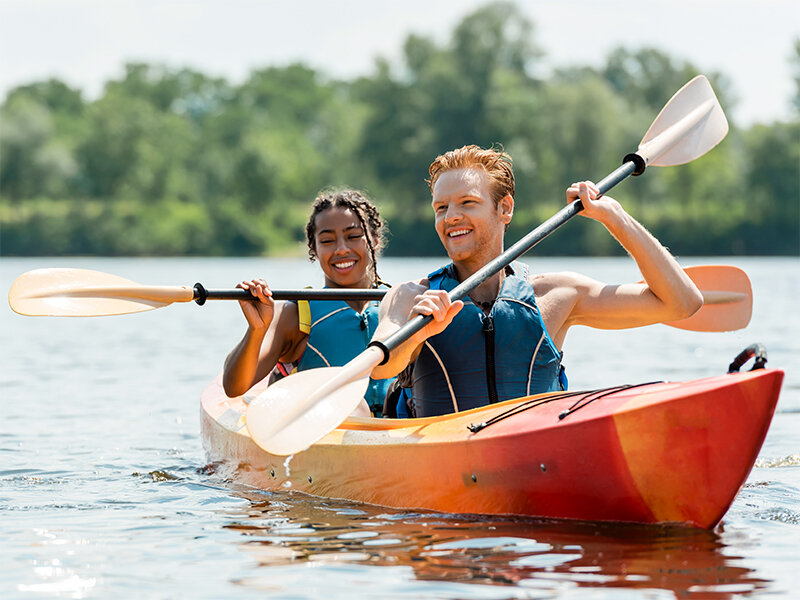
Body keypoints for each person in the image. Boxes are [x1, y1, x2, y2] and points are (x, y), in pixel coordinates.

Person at [371, 145, 703, 418]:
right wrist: (418, 334)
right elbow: (380, 368)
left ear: (505, 209)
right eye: (440, 207)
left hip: (537, 457)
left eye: (467, 203)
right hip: (443, 461)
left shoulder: (557, 294)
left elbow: (682, 303)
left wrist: (614, 216)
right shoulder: (411, 297)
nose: (451, 216)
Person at [223, 189, 392, 417]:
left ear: (375, 240)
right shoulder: (294, 314)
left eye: (353, 236)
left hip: (394, 428)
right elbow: (234, 388)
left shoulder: (399, 303)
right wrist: (257, 330)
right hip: (324, 430)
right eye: (327, 241)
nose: (341, 249)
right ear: (314, 249)